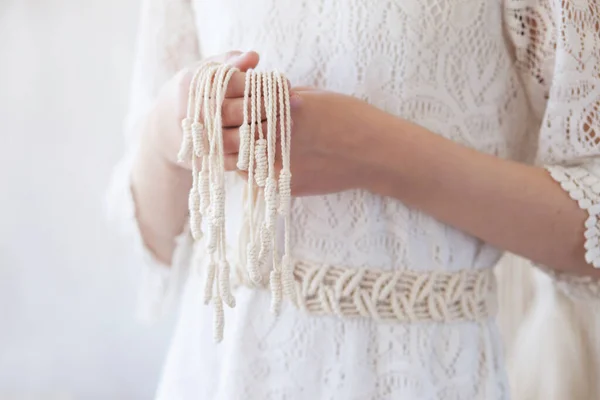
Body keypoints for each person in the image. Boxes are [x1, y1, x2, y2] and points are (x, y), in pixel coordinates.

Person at [107, 0, 600, 398]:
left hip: (421, 373)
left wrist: (377, 153)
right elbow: (152, 242)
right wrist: (166, 136)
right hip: (214, 370)